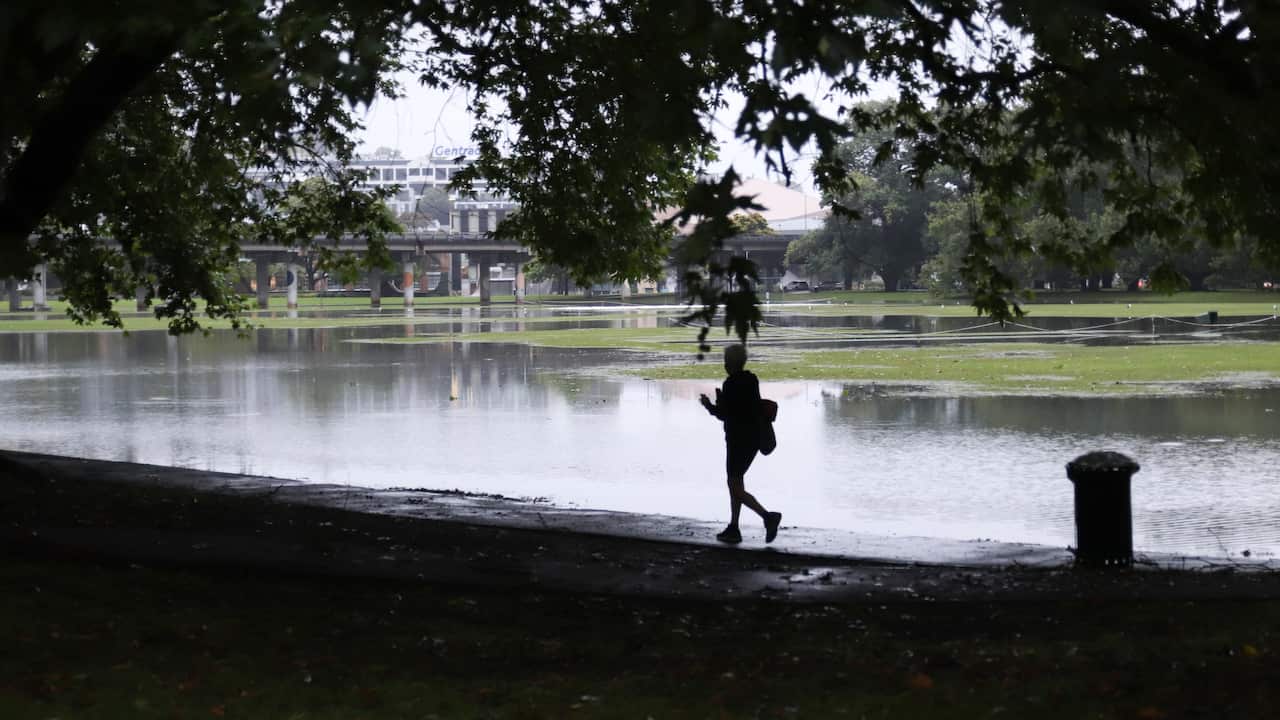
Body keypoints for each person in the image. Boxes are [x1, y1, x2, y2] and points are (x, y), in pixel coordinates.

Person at [699, 344, 782, 544]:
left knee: (734, 485)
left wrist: (709, 405)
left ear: (729, 363)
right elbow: (745, 407)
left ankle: (768, 517)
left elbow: (725, 414)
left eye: (725, 361)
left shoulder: (731, 384)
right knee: (737, 482)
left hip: (738, 440)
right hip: (754, 438)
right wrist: (723, 401)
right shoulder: (752, 380)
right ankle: (734, 527)